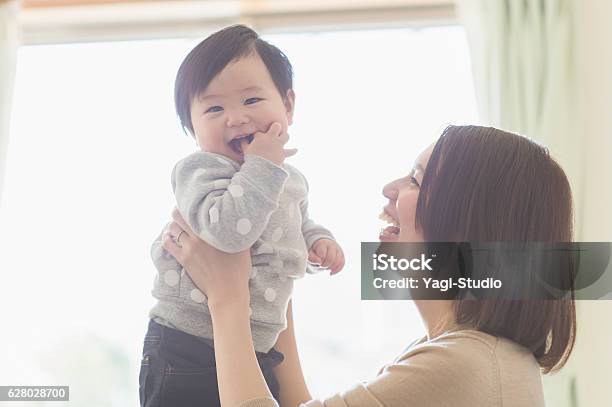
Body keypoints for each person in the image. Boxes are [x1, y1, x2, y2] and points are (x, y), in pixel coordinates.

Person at [162, 125, 577, 407]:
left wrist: (227, 300)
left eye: (415, 180)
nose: (389, 189)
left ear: (471, 220)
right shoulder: (474, 356)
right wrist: (274, 278)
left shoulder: (464, 365)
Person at [139, 25, 345, 407]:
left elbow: (298, 224)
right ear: (192, 126)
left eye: (251, 100)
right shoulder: (200, 170)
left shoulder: (289, 178)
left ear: (288, 105)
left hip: (259, 345)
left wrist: (319, 242)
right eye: (214, 108)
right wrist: (263, 165)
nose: (235, 118)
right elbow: (230, 234)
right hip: (188, 345)